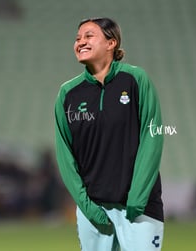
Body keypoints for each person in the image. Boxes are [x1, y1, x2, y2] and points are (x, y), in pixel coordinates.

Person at [54, 17, 164, 251]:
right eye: (77, 38)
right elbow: (65, 156)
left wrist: (137, 200)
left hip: (140, 208)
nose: (80, 42)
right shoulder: (67, 94)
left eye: (88, 36)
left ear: (111, 42)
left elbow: (152, 138)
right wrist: (87, 206)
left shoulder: (136, 80)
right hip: (93, 211)